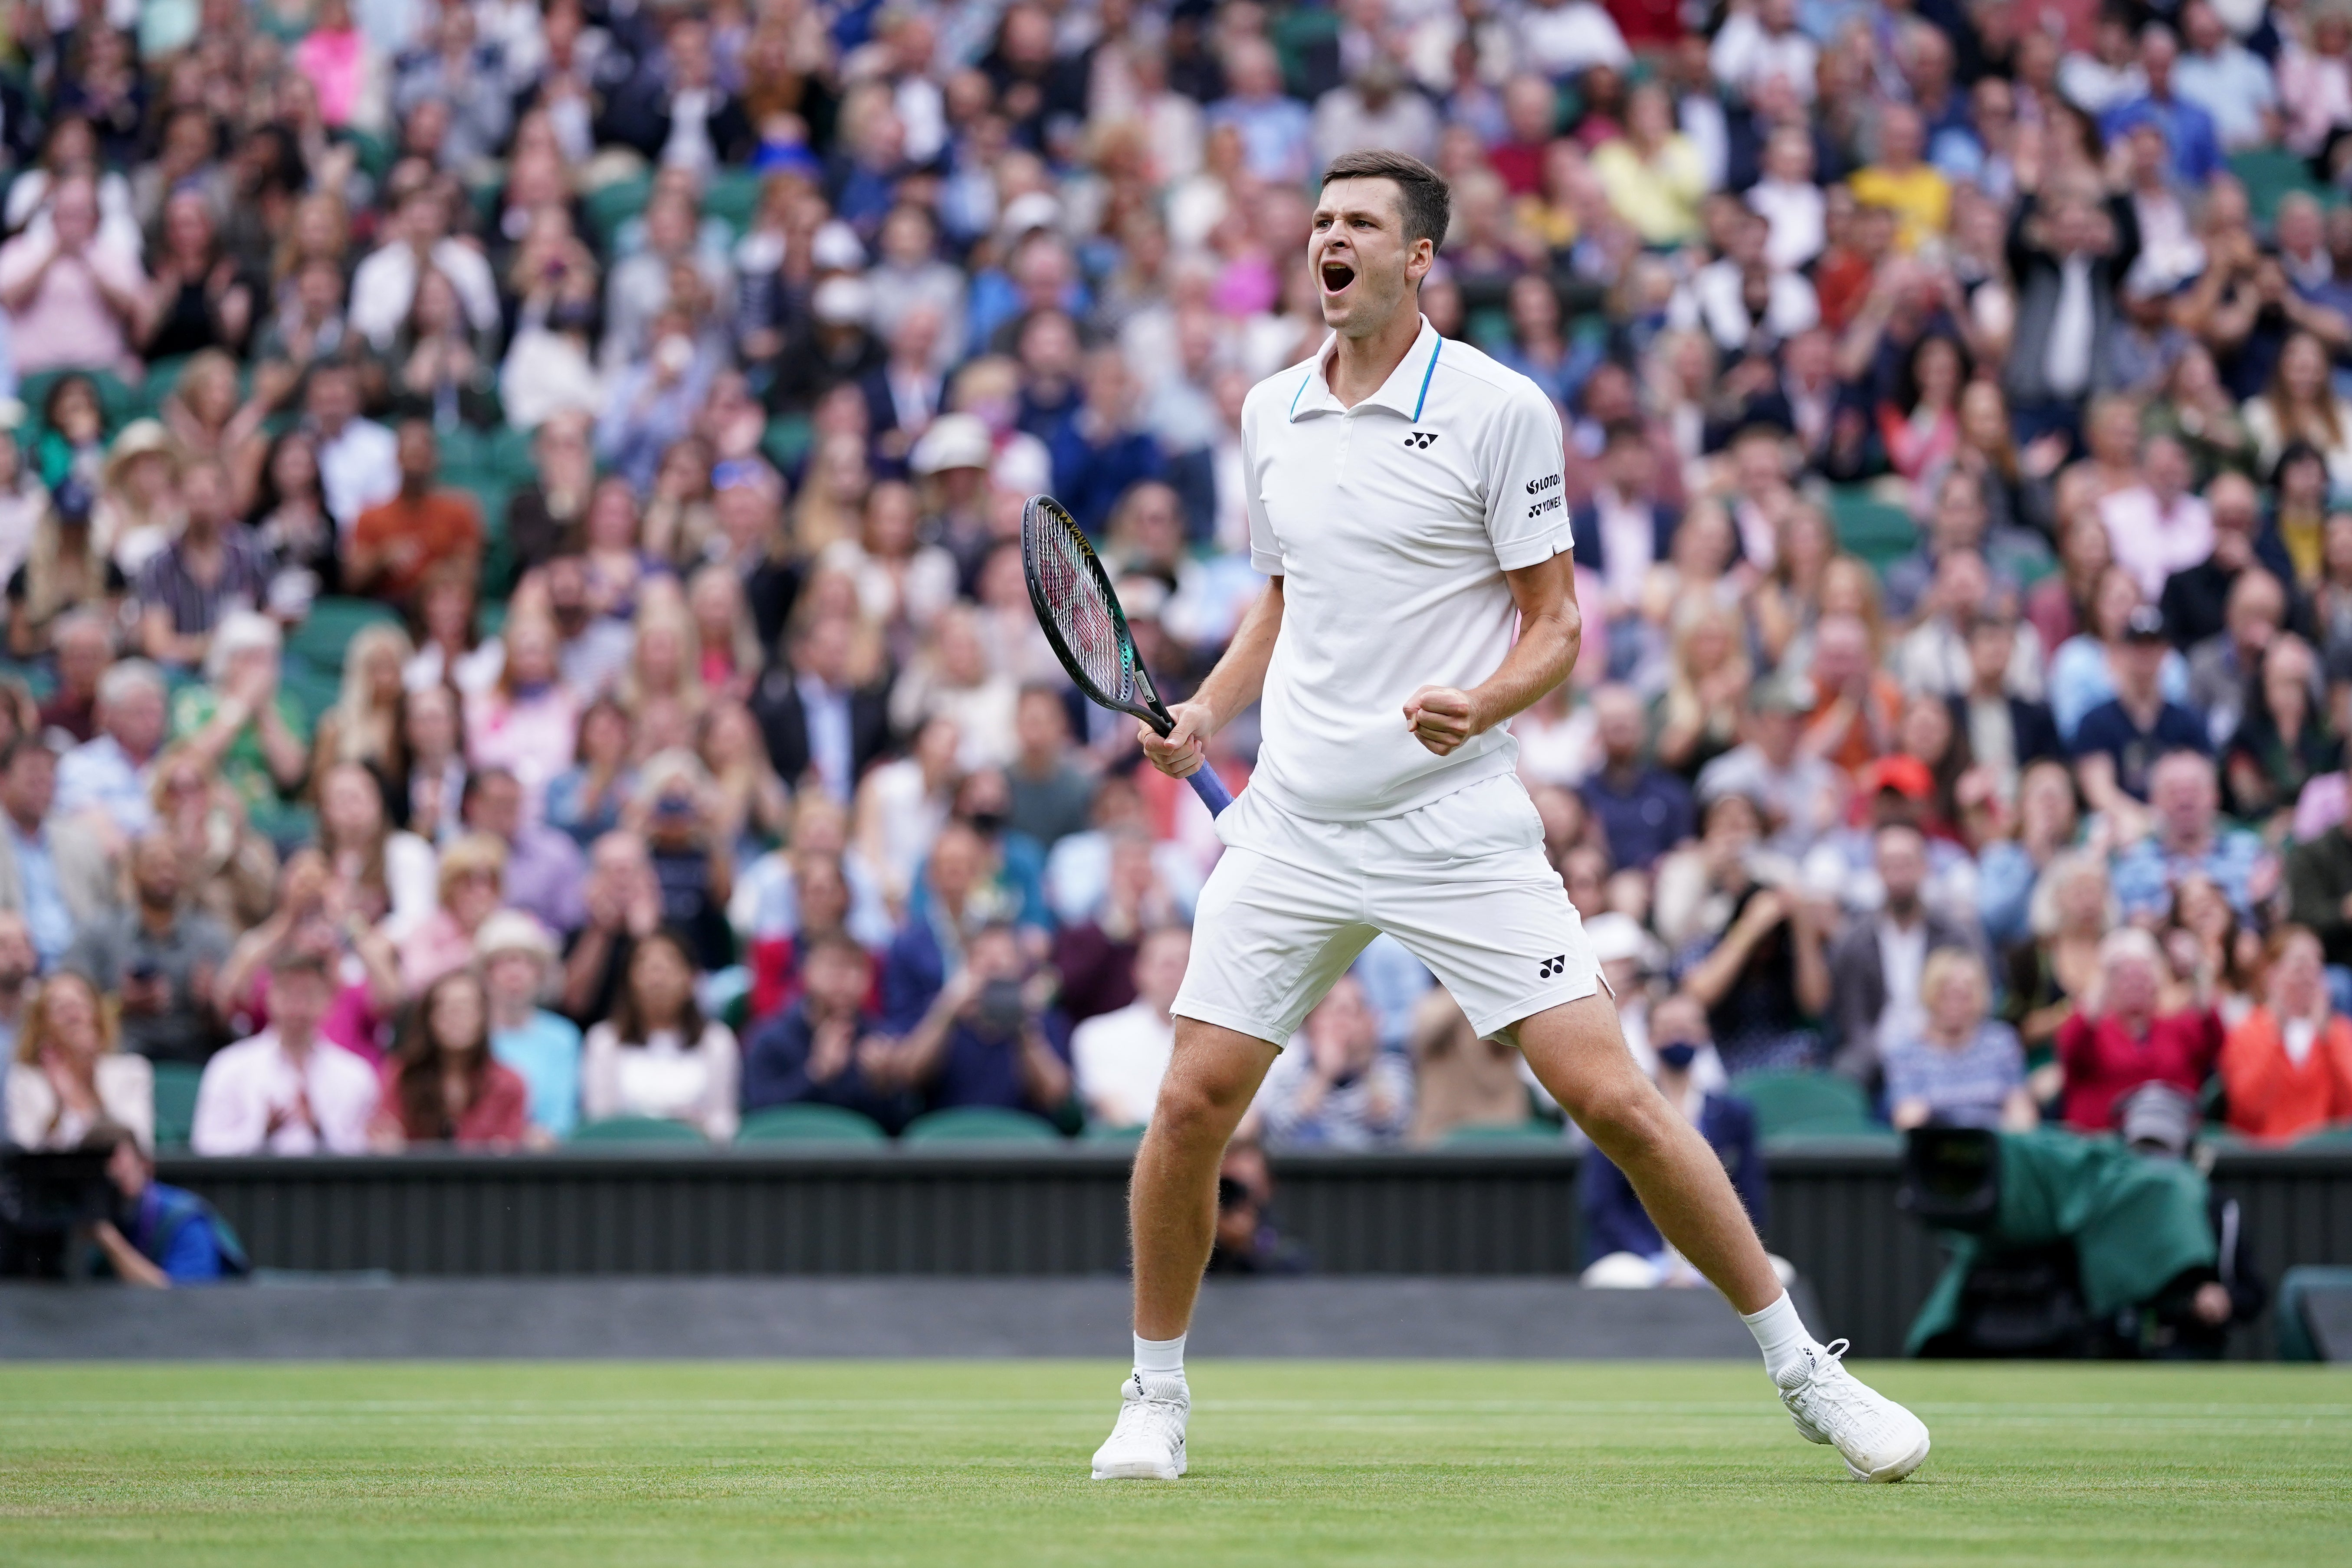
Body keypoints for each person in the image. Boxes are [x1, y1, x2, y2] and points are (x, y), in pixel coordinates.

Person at [1090, 152, 1927, 1486]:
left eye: (1359, 223)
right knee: (1190, 1102)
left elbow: (1557, 626)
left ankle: (1804, 1369)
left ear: (1417, 256)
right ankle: (1154, 1394)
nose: (1330, 240)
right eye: (1318, 222)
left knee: (1615, 1098)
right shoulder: (1265, 412)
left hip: (1455, 817)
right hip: (1295, 824)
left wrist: (1476, 705)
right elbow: (1280, 596)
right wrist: (1201, 709)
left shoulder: (1499, 409)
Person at [1579, 994, 1767, 1289]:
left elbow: (1750, 1200)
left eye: (1688, 1026)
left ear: (1705, 1033)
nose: (1679, 1036)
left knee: (1780, 1277)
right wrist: (1657, 1263)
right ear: (1650, 1036)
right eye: (1669, 1027)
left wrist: (1707, 1265)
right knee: (1616, 1279)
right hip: (1639, 1257)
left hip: (1717, 1260)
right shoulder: (1618, 1111)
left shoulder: (1734, 1116)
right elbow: (1603, 1204)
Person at [1824, 823, 1978, 1086]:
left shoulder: (1954, 935)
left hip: (1943, 1041)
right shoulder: (1854, 941)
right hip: (1876, 1049)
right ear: (1876, 870)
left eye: (1906, 863)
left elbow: (1976, 998)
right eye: (1889, 864)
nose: (1898, 874)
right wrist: (1884, 1051)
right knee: (1845, 1076)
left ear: (1925, 867)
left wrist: (1939, 1039)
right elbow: (1852, 1018)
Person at [61, 831, 231, 1066]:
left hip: (195, 1053)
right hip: (120, 1054)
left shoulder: (210, 937)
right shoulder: (100, 933)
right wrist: (121, 1004)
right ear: (134, 871)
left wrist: (210, 1005)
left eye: (173, 865)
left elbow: (234, 1022)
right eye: (154, 864)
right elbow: (65, 998)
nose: (165, 872)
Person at [189, 947, 378, 1155]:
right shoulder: (229, 1066)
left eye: (308, 993)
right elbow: (205, 1145)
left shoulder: (356, 1074)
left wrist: (320, 1130)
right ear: (269, 996)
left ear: (328, 1000)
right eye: (287, 992)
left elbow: (368, 1151)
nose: (297, 1005)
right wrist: (260, 1133)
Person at [2054, 927, 2222, 1134]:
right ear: (2108, 983)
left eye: (2143, 973)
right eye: (2123, 975)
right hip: (2101, 1147)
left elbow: (2215, 1037)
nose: (2134, 982)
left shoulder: (2179, 1028)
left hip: (2172, 1146)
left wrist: (2198, 971)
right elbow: (2071, 1046)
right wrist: (2102, 976)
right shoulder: (2092, 1031)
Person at [579, 928, 739, 1142]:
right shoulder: (604, 1041)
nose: (658, 978)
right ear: (629, 980)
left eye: (669, 966)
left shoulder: (717, 1041)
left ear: (691, 981)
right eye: (646, 967)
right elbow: (599, 1120)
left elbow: (724, 1120)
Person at [738, 931, 908, 1132]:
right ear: (806, 972)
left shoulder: (880, 1040)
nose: (846, 980)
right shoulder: (769, 1040)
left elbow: (902, 1131)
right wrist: (815, 1074)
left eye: (857, 968)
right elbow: (757, 1119)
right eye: (835, 968)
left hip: (858, 1162)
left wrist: (884, 1087)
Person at [368, 969, 530, 1151]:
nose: (457, 1017)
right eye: (446, 1008)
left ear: (484, 1017)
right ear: (429, 1018)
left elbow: (510, 1154)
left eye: (467, 1007)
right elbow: (386, 1138)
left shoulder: (509, 1085)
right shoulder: (402, 1075)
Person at [2220, 926, 2352, 1144]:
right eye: (2300, 967)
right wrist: (2277, 1037)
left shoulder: (2339, 1032)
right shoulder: (2247, 1031)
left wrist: (2327, 1040)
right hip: (2264, 1160)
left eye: (2316, 967)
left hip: (2326, 1160)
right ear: (2271, 974)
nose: (2308, 978)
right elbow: (2247, 1110)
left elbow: (2347, 1109)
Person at [1255, 974, 1414, 1149]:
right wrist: (1324, 1074)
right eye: (1333, 1012)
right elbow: (1279, 1133)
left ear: (1371, 1022)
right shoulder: (1286, 1066)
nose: (1342, 1024)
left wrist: (1367, 1068)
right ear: (1312, 1022)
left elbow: (1394, 1130)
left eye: (1354, 1012)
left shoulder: (1393, 1069)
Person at [1883, 949, 2035, 1132]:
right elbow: (1908, 1118)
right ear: (1930, 994)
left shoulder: (2002, 1042)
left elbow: (2021, 1110)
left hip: (1993, 1145)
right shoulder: (1907, 1050)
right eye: (1945, 994)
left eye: (1964, 995)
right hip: (1936, 1146)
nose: (1955, 1004)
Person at [78, 1121, 243, 1286]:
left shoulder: (183, 1221)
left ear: (145, 1165)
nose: (111, 1175)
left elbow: (182, 1300)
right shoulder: (84, 1220)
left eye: (121, 1172)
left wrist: (109, 1240)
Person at [5, 969, 152, 1150]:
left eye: (79, 1003)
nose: (72, 1013)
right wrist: (59, 1106)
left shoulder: (131, 1071)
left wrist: (90, 1088)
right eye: (59, 1007)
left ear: (98, 1015)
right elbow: (28, 1152)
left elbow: (139, 1146)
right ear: (41, 1024)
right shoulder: (25, 1079)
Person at [477, 911, 581, 1145]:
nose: (515, 973)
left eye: (526, 963)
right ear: (485, 974)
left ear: (541, 974)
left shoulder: (563, 1037)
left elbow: (561, 1118)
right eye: (505, 962)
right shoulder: (471, 1033)